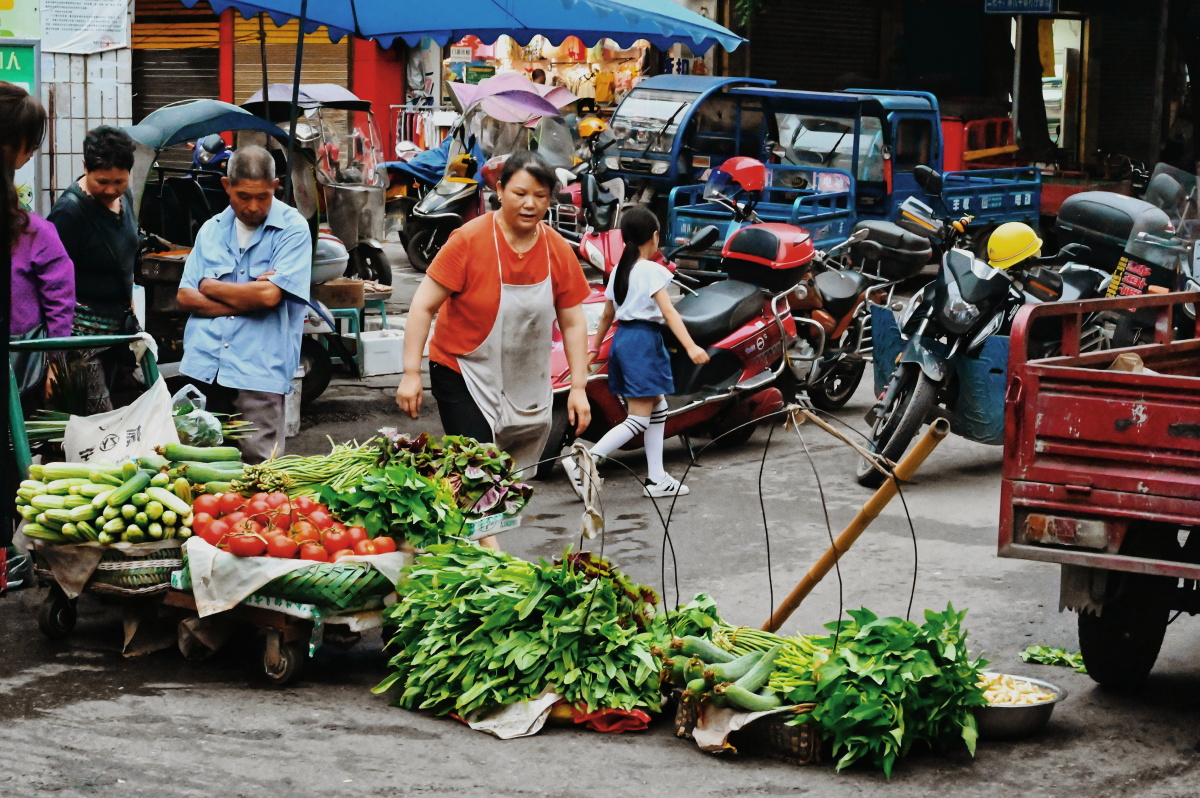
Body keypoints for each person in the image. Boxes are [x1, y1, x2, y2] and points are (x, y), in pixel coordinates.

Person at [395, 150, 592, 477]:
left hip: (522, 378)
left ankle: (480, 529)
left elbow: (573, 322)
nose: (530, 203)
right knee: (477, 474)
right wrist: (410, 373)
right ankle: (475, 528)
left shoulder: (556, 248)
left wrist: (579, 388)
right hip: (462, 371)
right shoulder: (468, 241)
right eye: (520, 193)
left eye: (540, 196)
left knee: (508, 480)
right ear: (499, 191)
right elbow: (423, 305)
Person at [176, 145, 311, 464]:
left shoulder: (292, 230)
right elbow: (185, 296)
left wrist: (211, 288)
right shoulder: (211, 230)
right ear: (226, 186)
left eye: (262, 196)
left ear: (275, 186)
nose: (252, 206)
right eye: (243, 196)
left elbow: (269, 296)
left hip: (258, 374)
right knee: (197, 471)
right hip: (202, 367)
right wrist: (247, 297)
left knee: (257, 475)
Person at [562, 206, 708, 499]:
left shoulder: (619, 270)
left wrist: (594, 346)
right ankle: (584, 461)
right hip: (643, 342)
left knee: (658, 407)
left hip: (623, 339)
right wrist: (691, 346)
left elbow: (606, 315)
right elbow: (669, 312)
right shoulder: (652, 270)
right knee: (639, 419)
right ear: (654, 237)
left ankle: (657, 478)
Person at [3, 83, 70, 591]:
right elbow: (59, 299)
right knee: (11, 465)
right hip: (15, 371)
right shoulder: (32, 232)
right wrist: (52, 359)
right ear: (19, 150)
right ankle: (8, 565)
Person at [47, 125, 140, 412]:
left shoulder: (126, 198)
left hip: (117, 335)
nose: (111, 190)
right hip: (81, 343)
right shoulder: (69, 213)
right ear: (85, 167)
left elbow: (125, 260)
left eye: (119, 181)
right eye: (102, 181)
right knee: (101, 423)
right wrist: (53, 359)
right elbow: (50, 285)